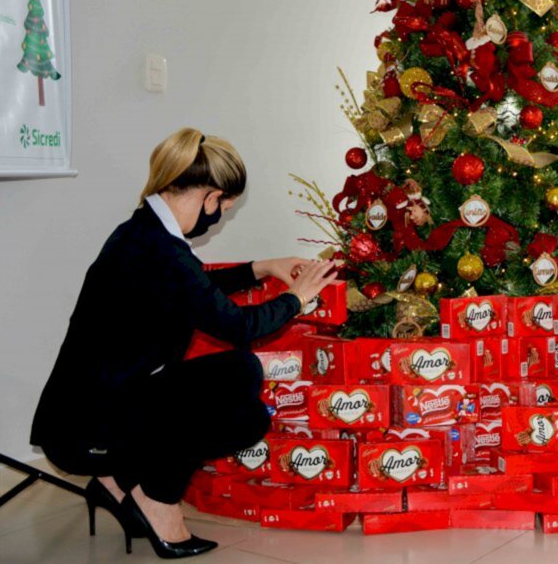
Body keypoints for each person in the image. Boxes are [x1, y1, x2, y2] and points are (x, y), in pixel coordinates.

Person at [31, 128, 338, 559]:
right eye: (224, 208)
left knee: (248, 419)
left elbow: (193, 289)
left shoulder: (145, 233)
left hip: (95, 408)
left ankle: (119, 482)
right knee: (239, 373)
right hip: (87, 426)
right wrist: (297, 299)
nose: (219, 217)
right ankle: (156, 497)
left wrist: (262, 267)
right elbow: (236, 326)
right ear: (210, 196)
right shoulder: (161, 249)